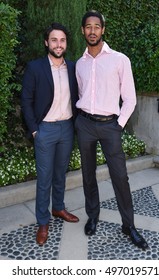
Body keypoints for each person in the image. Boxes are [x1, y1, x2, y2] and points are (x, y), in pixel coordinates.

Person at [75, 10, 148, 250]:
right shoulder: (80, 64)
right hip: (85, 124)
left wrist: (118, 125)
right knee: (88, 174)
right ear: (83, 30)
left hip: (110, 126)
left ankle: (129, 225)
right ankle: (93, 216)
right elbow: (81, 94)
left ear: (103, 30)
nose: (92, 31)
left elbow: (130, 99)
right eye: (88, 26)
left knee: (120, 176)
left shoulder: (120, 59)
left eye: (97, 26)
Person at [21, 22, 79, 246]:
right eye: (54, 40)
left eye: (62, 40)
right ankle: (43, 221)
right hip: (45, 129)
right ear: (47, 42)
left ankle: (58, 208)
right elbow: (26, 101)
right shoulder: (36, 68)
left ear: (66, 43)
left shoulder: (72, 68)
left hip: (66, 128)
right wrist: (35, 130)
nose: (58, 44)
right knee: (44, 179)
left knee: (60, 174)